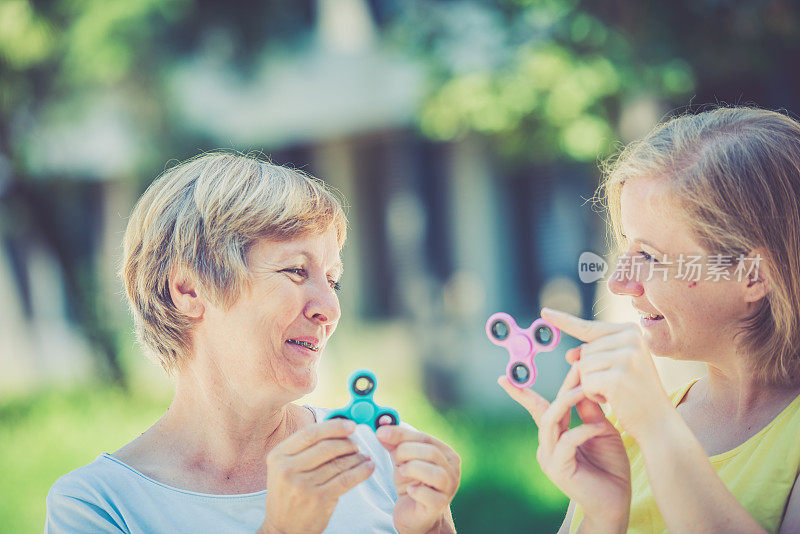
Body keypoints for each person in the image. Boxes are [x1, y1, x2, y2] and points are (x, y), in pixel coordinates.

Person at [45, 153, 460, 534]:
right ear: (189, 289)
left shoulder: (384, 453)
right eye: (297, 271)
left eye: (331, 280)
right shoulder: (96, 505)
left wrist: (434, 527)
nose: (330, 309)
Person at [499, 107, 800, 533]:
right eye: (625, 248)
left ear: (753, 276)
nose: (620, 282)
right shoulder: (624, 430)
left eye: (649, 257)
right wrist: (604, 515)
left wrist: (657, 426)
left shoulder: (651, 423)